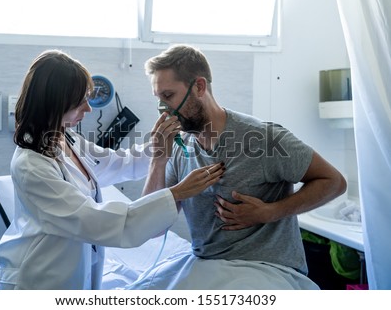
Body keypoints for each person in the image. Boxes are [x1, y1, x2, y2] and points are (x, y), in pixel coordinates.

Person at [0, 49, 225, 290]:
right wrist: (177, 193)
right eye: (80, 102)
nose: (89, 110)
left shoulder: (67, 138)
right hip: (41, 280)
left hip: (77, 271)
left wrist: (159, 147)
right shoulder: (31, 166)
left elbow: (120, 163)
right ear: (55, 104)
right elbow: (95, 221)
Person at [128, 44, 347, 290]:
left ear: (199, 87)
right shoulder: (179, 147)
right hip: (206, 264)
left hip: (264, 268)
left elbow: (334, 182)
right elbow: (151, 228)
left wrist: (270, 212)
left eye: (168, 96)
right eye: (158, 99)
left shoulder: (262, 139)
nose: (163, 110)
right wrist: (158, 160)